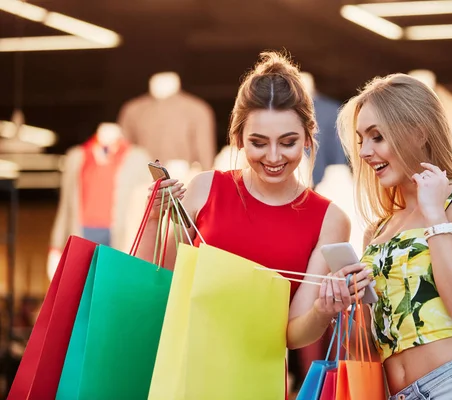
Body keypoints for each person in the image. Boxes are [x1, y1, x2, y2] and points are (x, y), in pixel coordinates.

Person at [136, 52, 372, 359]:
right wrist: (154, 218)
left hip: (257, 375)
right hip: (184, 365)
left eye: (287, 142)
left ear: (307, 139)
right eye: (259, 143)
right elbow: (153, 279)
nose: (273, 157)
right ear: (238, 139)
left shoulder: (330, 219)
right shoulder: (206, 188)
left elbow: (292, 333)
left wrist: (323, 311)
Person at [336, 73, 452, 400]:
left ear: (418, 133)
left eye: (377, 137)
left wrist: (434, 215)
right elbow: (371, 347)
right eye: (361, 139)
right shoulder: (376, 232)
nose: (364, 151)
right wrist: (346, 303)